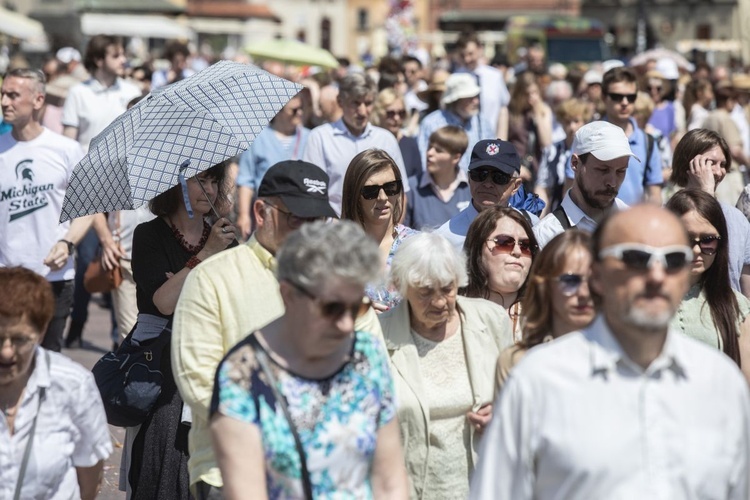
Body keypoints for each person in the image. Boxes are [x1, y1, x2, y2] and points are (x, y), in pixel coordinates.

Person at [470, 204, 750, 499]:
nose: (656, 275)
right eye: (635, 258)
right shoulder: (538, 382)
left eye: (672, 259)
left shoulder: (722, 385)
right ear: (598, 276)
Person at [172, 160, 386, 498]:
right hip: (235, 473)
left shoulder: (342, 281)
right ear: (261, 212)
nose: (309, 232)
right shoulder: (212, 279)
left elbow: (373, 370)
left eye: (318, 221)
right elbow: (199, 382)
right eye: (297, 218)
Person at [210, 221, 408, 499]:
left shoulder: (367, 355)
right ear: (289, 294)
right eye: (332, 308)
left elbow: (391, 483)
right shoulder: (241, 376)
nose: (346, 324)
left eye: (357, 308)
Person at [125, 162, 237, 499]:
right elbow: (164, 301)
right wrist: (206, 254)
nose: (210, 190)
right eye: (199, 180)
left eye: (214, 181)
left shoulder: (225, 235)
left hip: (206, 359)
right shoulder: (149, 235)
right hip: (159, 364)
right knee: (158, 461)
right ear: (173, 185)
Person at [379, 231, 514, 499]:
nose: (440, 302)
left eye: (447, 288)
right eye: (426, 292)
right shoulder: (379, 337)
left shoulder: (491, 321)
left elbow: (519, 399)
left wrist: (502, 413)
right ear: (402, 287)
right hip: (412, 490)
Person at [0, 68, 93, 352]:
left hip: (53, 278)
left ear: (38, 100)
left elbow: (86, 209)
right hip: (7, 279)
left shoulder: (65, 149)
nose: (5, 102)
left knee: (47, 362)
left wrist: (67, 243)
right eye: (3, 94)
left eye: (13, 95)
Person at [0, 267, 112, 499]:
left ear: (41, 332)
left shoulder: (72, 385)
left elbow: (89, 476)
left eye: (20, 339)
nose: (6, 352)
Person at [61, 34, 142, 348]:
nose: (123, 60)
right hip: (88, 185)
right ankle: (77, 323)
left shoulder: (132, 92)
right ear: (98, 59)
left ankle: (116, 334)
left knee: (117, 258)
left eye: (123, 54)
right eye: (116, 55)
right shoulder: (78, 94)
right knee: (86, 256)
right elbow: (70, 142)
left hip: (125, 183)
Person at [666, 189, 750, 379]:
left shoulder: (737, 306)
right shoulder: (642, 298)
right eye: (686, 239)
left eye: (708, 241)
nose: (696, 250)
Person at [495, 230, 595, 391]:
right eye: (569, 281)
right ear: (545, 286)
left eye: (593, 281)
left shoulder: (623, 357)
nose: (584, 293)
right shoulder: (516, 362)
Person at [303, 73, 409, 215]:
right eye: (356, 103)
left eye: (368, 103)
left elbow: (401, 194)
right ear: (340, 102)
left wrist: (391, 231)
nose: (363, 111)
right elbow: (312, 193)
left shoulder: (386, 139)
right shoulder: (320, 137)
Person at [564, 66, 662, 205]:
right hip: (592, 222)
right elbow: (570, 185)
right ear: (604, 97)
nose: (624, 102)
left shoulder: (648, 141)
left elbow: (654, 194)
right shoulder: (587, 136)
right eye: (617, 97)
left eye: (631, 97)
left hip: (632, 222)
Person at [670, 128, 750, 297]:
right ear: (689, 163)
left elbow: (744, 281)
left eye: (722, 165)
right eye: (710, 163)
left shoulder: (737, 218)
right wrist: (705, 192)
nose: (718, 172)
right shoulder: (667, 215)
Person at [533, 121, 635, 248]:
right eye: (603, 170)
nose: (612, 182)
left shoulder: (634, 222)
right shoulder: (548, 235)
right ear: (575, 163)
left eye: (621, 171)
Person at [341, 149, 417, 311]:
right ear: (354, 195)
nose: (382, 197)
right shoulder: (336, 249)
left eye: (391, 187)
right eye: (370, 191)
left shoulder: (418, 246)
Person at [236, 93, 310, 239]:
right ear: (278, 111)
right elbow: (246, 179)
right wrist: (244, 215)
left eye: (301, 108)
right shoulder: (258, 138)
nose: (300, 113)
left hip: (300, 214)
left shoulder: (310, 137)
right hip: (267, 212)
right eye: (294, 110)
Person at [436, 139, 532, 250]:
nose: (487, 184)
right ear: (469, 178)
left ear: (516, 186)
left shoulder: (531, 227)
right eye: (480, 174)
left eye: (499, 177)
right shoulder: (445, 239)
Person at [462, 207, 539, 341]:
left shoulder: (544, 318)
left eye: (525, 245)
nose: (517, 251)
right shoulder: (453, 314)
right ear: (478, 249)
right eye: (504, 242)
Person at [417, 73, 494, 171]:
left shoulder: (482, 122)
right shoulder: (431, 123)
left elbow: (492, 155)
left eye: (476, 96)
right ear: (456, 99)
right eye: (469, 97)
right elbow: (424, 161)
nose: (476, 102)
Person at [405, 125, 471, 229]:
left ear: (456, 158)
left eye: (438, 150)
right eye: (429, 147)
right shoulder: (411, 187)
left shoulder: (471, 187)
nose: (429, 153)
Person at [534, 98, 591, 214]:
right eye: (567, 122)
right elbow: (543, 187)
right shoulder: (552, 151)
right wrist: (537, 216)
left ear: (585, 122)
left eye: (576, 121)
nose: (572, 127)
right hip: (558, 212)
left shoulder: (591, 150)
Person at [454, 31, 511, 140]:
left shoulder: (495, 76)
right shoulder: (456, 78)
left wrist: (501, 141)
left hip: (492, 141)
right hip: (465, 142)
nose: (467, 59)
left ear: (480, 49)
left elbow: (503, 109)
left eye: (470, 54)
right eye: (463, 55)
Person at [506, 72, 553, 184]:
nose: (532, 97)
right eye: (527, 94)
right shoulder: (508, 112)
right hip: (515, 167)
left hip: (537, 169)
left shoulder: (544, 110)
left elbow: (546, 143)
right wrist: (515, 166)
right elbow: (501, 142)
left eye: (535, 92)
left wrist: (537, 114)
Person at [371, 88, 421, 178]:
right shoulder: (370, 142)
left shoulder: (410, 144)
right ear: (379, 113)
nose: (397, 118)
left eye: (401, 113)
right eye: (391, 113)